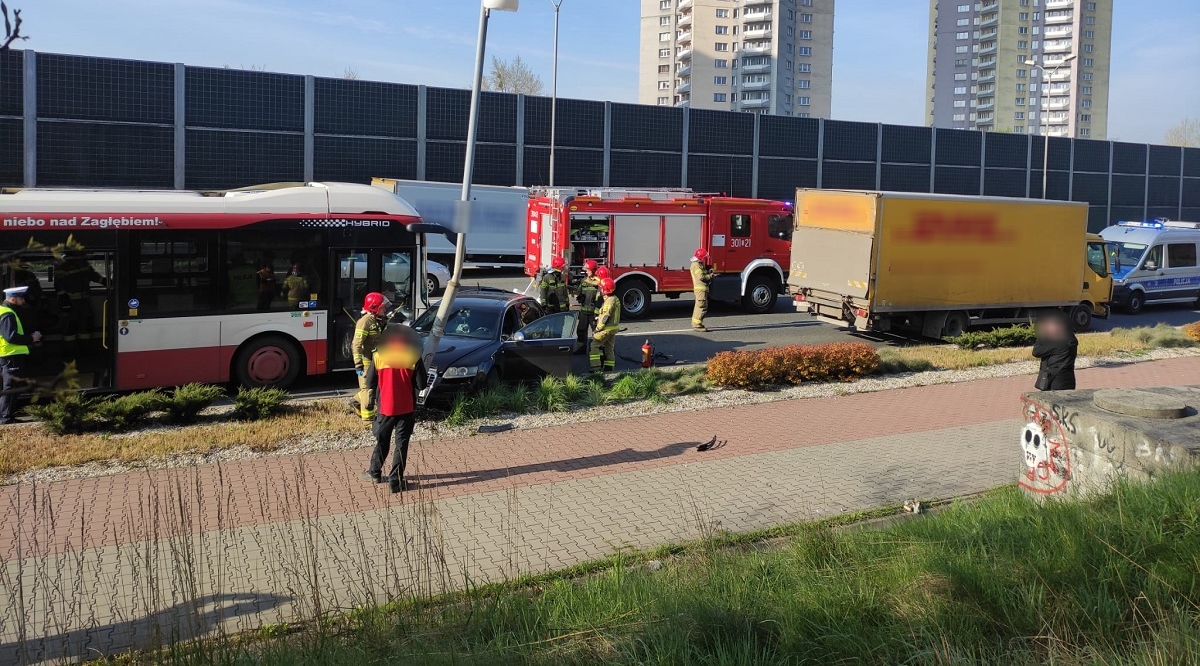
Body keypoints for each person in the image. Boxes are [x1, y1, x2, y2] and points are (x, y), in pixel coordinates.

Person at [360, 321, 427, 493]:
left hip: (385, 408)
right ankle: (395, 481)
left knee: (382, 441)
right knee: (401, 444)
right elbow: (422, 384)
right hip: (406, 408)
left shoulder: (378, 356)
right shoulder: (413, 356)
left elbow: (370, 383)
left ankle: (374, 473)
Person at [1, 286, 42, 424]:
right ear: (13, 299)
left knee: (13, 387)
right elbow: (11, 337)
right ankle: (5, 418)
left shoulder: (5, 311)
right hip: (11, 355)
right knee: (11, 388)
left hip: (8, 355)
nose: (23, 301)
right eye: (21, 298)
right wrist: (32, 338)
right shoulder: (8, 314)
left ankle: (6, 416)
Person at [53, 252, 106, 353]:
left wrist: (107, 281)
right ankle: (69, 352)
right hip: (69, 302)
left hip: (84, 301)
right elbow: (58, 283)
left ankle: (84, 351)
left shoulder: (83, 264)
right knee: (69, 328)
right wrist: (63, 299)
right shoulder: (62, 265)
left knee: (86, 325)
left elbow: (94, 276)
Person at [353, 292, 391, 420]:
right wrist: (358, 364)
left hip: (377, 361)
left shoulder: (379, 320)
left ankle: (356, 401)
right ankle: (367, 421)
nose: (384, 309)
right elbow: (356, 344)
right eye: (382, 307)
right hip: (367, 362)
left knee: (375, 388)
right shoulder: (364, 322)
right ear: (374, 308)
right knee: (368, 390)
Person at [1032, 309, 1078, 391]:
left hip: (1056, 382)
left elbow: (1036, 352)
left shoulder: (1060, 342)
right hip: (1066, 379)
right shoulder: (1070, 338)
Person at [590, 277, 620, 373]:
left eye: (602, 288)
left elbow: (605, 317)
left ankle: (596, 368)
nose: (601, 290)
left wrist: (597, 329)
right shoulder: (614, 298)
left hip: (606, 329)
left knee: (594, 345)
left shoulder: (609, 301)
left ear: (605, 290)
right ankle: (609, 368)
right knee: (609, 347)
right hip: (612, 329)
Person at [574, 260, 602, 351]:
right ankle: (581, 348)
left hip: (594, 312)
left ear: (593, 270)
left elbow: (602, 296)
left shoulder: (599, 282)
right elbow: (578, 291)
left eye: (588, 270)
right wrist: (579, 295)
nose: (586, 271)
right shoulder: (584, 280)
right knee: (581, 330)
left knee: (596, 332)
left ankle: (596, 349)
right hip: (583, 311)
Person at [690, 248, 713, 332]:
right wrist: (711, 276)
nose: (704, 259)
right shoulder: (696, 265)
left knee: (699, 306)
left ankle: (697, 324)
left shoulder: (697, 264)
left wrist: (708, 271)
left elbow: (702, 274)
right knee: (701, 306)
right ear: (700, 257)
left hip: (701, 289)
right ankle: (697, 325)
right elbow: (701, 277)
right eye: (703, 257)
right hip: (700, 289)